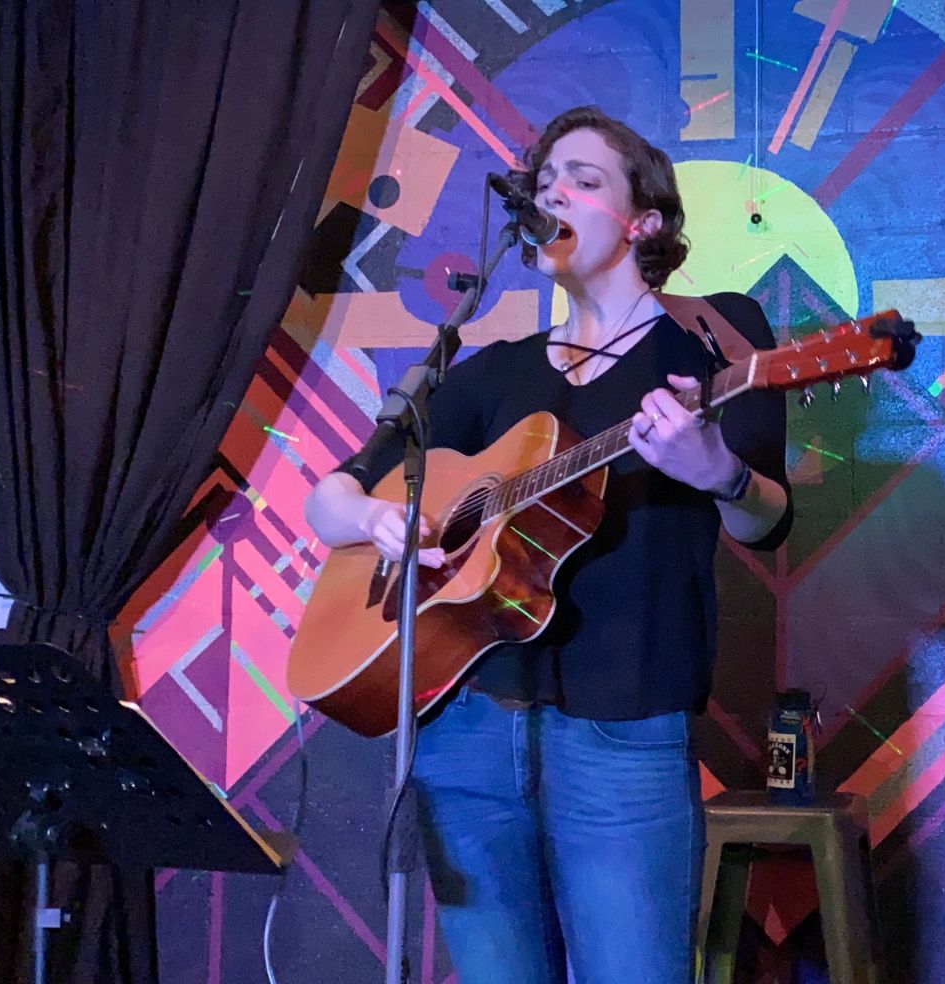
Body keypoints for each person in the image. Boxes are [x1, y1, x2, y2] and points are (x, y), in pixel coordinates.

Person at [303, 105, 792, 984]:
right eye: (544, 180)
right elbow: (331, 496)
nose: (552, 192)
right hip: (467, 729)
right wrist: (379, 521)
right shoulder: (493, 371)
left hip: (623, 731)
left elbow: (768, 518)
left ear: (644, 222)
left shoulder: (714, 337)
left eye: (583, 179)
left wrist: (718, 471)